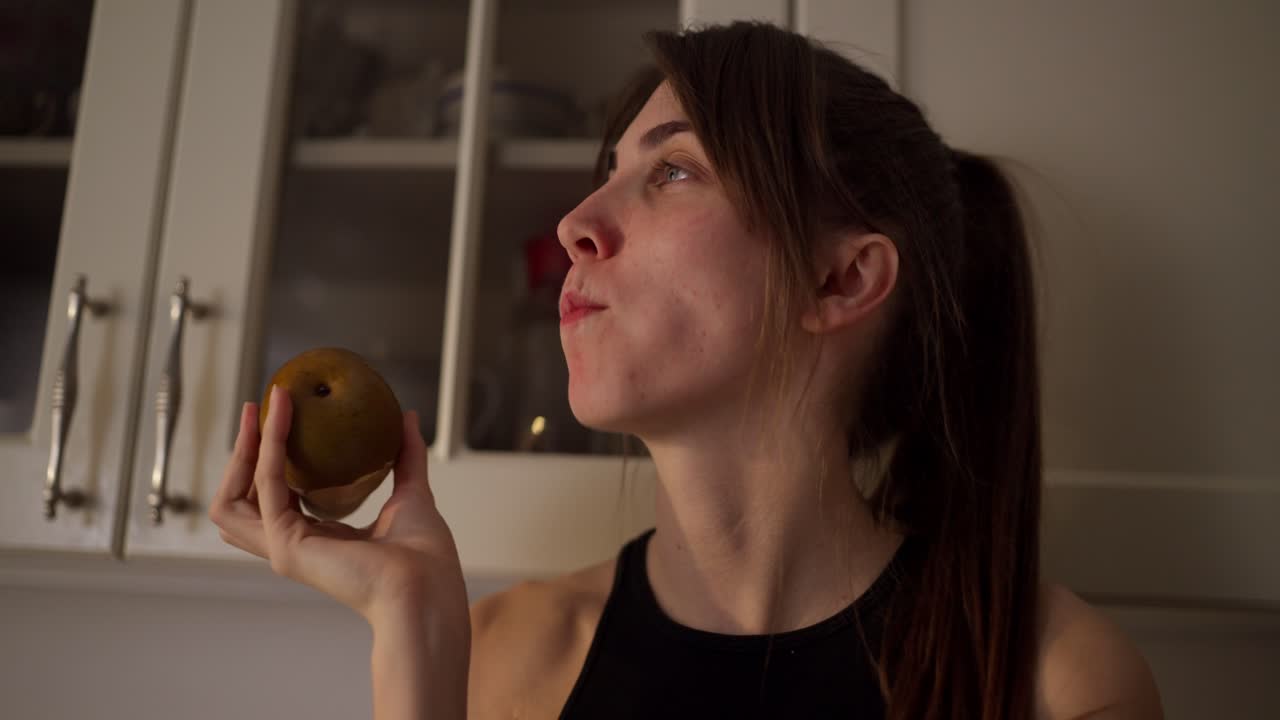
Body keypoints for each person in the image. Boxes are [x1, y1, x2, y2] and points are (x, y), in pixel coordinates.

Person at [210, 21, 1164, 720]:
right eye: (609, 168)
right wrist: (411, 631)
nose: (576, 221)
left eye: (672, 172)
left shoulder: (1059, 680)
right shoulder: (498, 662)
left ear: (840, 278)